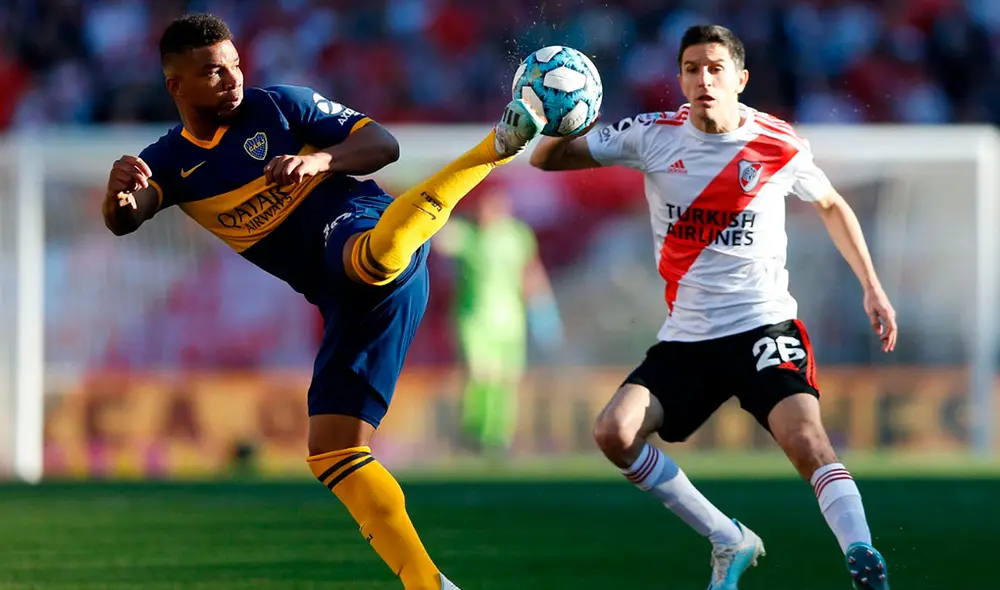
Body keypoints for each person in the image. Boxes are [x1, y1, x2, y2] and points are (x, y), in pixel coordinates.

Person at [101, 13, 543, 590]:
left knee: (365, 256)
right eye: (213, 71)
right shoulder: (168, 161)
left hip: (363, 226)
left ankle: (494, 147)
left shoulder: (281, 106)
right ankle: (429, 584)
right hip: (345, 300)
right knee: (332, 452)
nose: (233, 78)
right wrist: (120, 196)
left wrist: (320, 161)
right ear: (176, 85)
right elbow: (126, 219)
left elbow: (382, 143)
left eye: (234, 63)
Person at [529, 24, 897, 590]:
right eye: (692, 69)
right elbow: (546, 161)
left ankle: (863, 555)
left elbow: (830, 203)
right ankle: (728, 537)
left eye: (716, 68)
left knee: (806, 439)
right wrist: (557, 115)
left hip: (763, 325)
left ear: (740, 79)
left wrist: (872, 286)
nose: (704, 79)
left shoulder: (778, 143)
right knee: (613, 432)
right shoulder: (651, 135)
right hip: (688, 338)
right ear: (679, 79)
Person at [434, 188, 563, 453]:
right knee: (480, 373)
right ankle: (474, 433)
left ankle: (498, 437)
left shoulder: (517, 235)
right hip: (474, 319)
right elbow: (439, 238)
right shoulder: (467, 234)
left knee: (506, 379)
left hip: (510, 321)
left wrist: (543, 309)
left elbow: (531, 271)